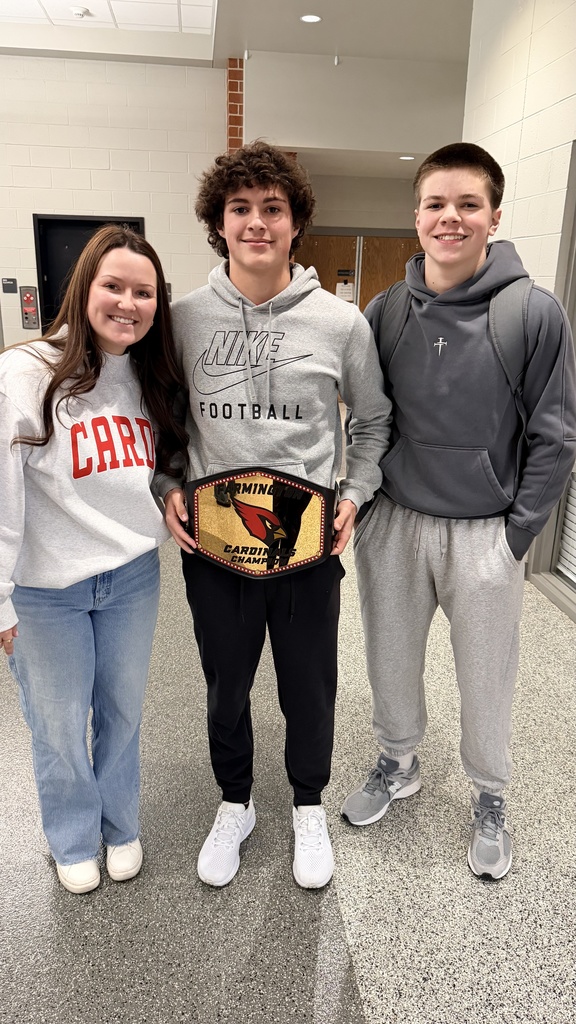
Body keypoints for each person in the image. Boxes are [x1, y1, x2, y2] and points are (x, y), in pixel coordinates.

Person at [155, 141, 391, 889]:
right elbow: (164, 421)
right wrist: (165, 482)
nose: (256, 222)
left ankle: (308, 806)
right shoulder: (182, 319)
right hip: (215, 546)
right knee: (225, 687)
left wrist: (354, 494)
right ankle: (236, 802)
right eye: (240, 209)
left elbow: (374, 423)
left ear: (295, 224)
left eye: (272, 209)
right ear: (218, 225)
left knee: (307, 686)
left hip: (307, 542)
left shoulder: (340, 324)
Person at [341, 142, 576, 879]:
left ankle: (489, 794)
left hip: (485, 535)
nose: (451, 217)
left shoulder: (534, 313)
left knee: (486, 676)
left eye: (468, 204)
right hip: (398, 525)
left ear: (494, 215)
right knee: (390, 661)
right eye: (436, 203)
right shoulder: (383, 311)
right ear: (416, 216)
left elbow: (555, 433)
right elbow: (367, 418)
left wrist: (516, 537)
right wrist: (368, 509)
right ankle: (398, 761)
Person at [0, 225, 188, 894]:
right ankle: (73, 836)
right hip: (46, 592)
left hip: (132, 578)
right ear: (84, 288)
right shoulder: (26, 372)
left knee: (123, 711)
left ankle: (120, 825)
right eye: (114, 286)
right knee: (55, 724)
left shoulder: (149, 376)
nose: (128, 303)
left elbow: (165, 463)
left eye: (144, 293)